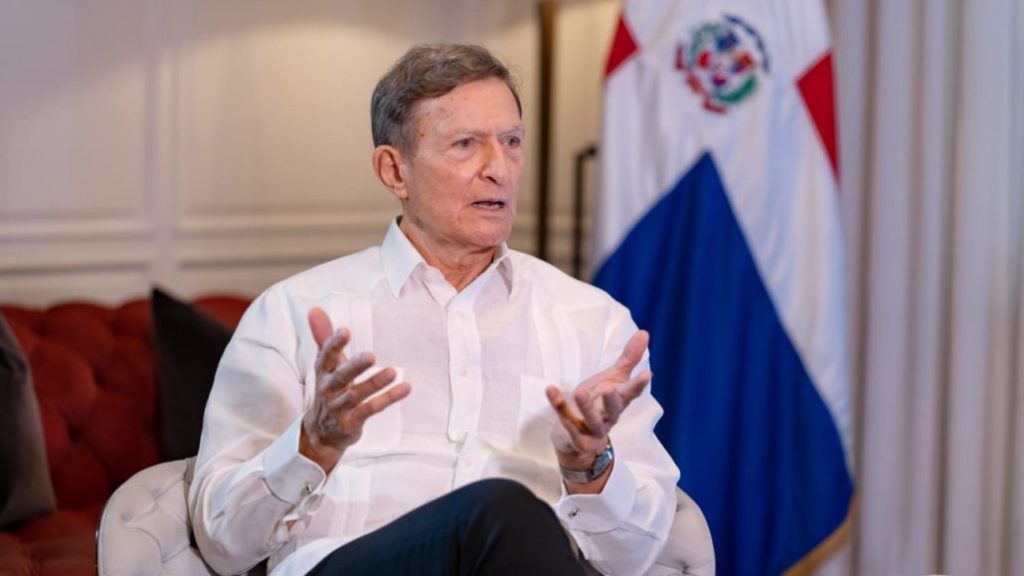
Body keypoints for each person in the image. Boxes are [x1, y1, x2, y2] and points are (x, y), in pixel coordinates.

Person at [189, 44, 679, 576]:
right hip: (352, 565)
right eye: (466, 145)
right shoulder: (293, 313)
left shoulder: (592, 321)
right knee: (501, 508)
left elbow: (636, 555)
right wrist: (315, 444)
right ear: (394, 170)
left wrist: (588, 466)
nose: (500, 170)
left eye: (512, 142)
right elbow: (224, 543)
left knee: (508, 515)